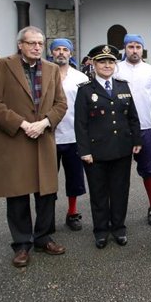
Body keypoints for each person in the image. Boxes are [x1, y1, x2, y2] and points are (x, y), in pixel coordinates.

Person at [0, 26, 68, 268]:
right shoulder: (1, 67)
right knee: (17, 194)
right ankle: (21, 244)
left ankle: (43, 237)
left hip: (43, 138)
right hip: (14, 140)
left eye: (40, 43)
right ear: (20, 44)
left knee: (47, 193)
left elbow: (61, 103)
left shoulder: (51, 69)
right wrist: (20, 123)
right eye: (31, 43)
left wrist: (45, 122)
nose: (37, 47)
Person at [75, 44, 142, 249]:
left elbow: (132, 116)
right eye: (102, 61)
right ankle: (101, 230)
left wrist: (137, 140)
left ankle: (119, 228)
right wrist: (84, 150)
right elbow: (80, 124)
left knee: (120, 191)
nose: (107, 65)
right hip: (95, 153)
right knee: (99, 192)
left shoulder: (123, 86)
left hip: (121, 149)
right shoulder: (86, 90)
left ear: (115, 64)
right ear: (94, 64)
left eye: (111, 61)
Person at [116, 34, 151, 226]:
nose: (134, 50)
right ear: (125, 48)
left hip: (145, 127)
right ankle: (118, 212)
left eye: (137, 47)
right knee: (118, 172)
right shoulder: (116, 69)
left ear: (142, 50)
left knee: (149, 170)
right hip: (120, 130)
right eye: (130, 47)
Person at [50, 38, 90, 231]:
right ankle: (47, 214)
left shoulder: (80, 78)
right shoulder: (44, 75)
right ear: (51, 53)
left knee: (74, 177)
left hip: (74, 136)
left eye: (65, 49)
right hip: (48, 136)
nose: (61, 53)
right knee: (48, 178)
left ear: (71, 54)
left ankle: (72, 212)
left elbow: (86, 109)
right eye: (57, 49)